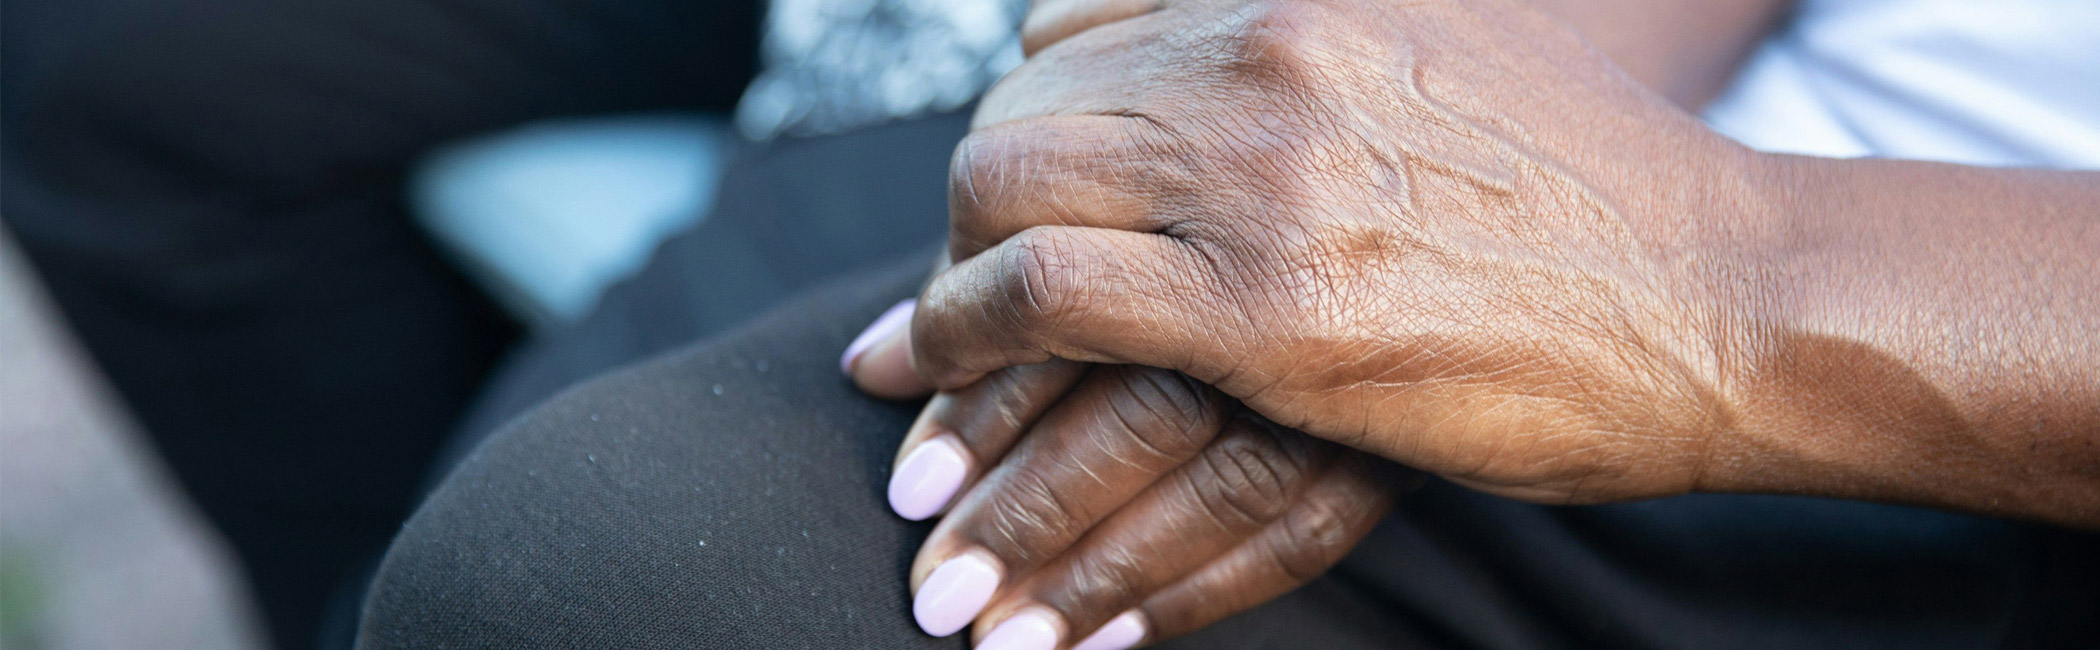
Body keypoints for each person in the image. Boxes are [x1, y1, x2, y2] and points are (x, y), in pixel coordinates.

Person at [355, 0, 2098, 649]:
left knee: (602, 578)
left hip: (1973, 385)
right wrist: (1431, 122)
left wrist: (1727, 273)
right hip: (1705, 123)